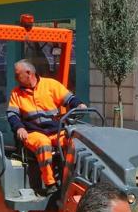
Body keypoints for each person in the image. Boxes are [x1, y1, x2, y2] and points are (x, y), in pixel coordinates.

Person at [6, 59, 84, 192]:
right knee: (43, 143)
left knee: (74, 141)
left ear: (29, 73)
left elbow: (69, 99)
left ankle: (73, 179)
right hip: (32, 132)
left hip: (55, 130)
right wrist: (19, 127)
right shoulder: (16, 93)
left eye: (18, 74)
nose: (15, 77)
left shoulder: (51, 85)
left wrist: (79, 105)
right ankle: (50, 184)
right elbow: (12, 115)